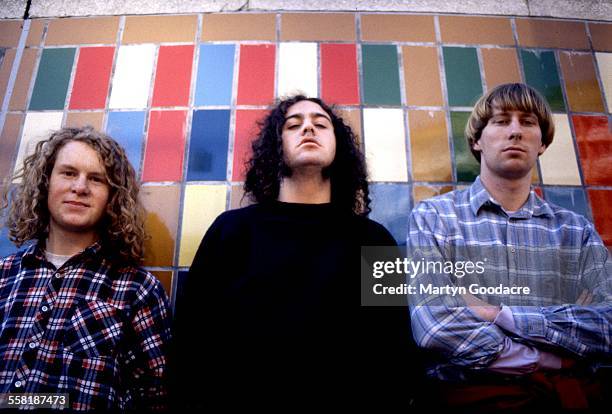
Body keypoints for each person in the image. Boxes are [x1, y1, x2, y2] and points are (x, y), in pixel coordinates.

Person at [172, 95, 413, 409]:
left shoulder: (376, 241)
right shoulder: (230, 232)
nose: (309, 128)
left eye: (321, 124)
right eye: (294, 124)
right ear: (276, 145)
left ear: (338, 145)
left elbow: (395, 350)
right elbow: (191, 343)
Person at [407, 83, 611, 410]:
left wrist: (501, 315)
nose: (515, 131)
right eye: (501, 121)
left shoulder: (576, 230)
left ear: (542, 142)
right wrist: (548, 356)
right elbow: (435, 325)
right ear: (477, 140)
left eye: (528, 122)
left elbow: (608, 325)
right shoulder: (434, 218)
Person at [0, 127, 171, 411]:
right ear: (46, 183)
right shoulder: (4, 277)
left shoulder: (137, 289)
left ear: (112, 198)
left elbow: (155, 397)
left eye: (96, 179)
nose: (80, 187)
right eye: (68, 173)